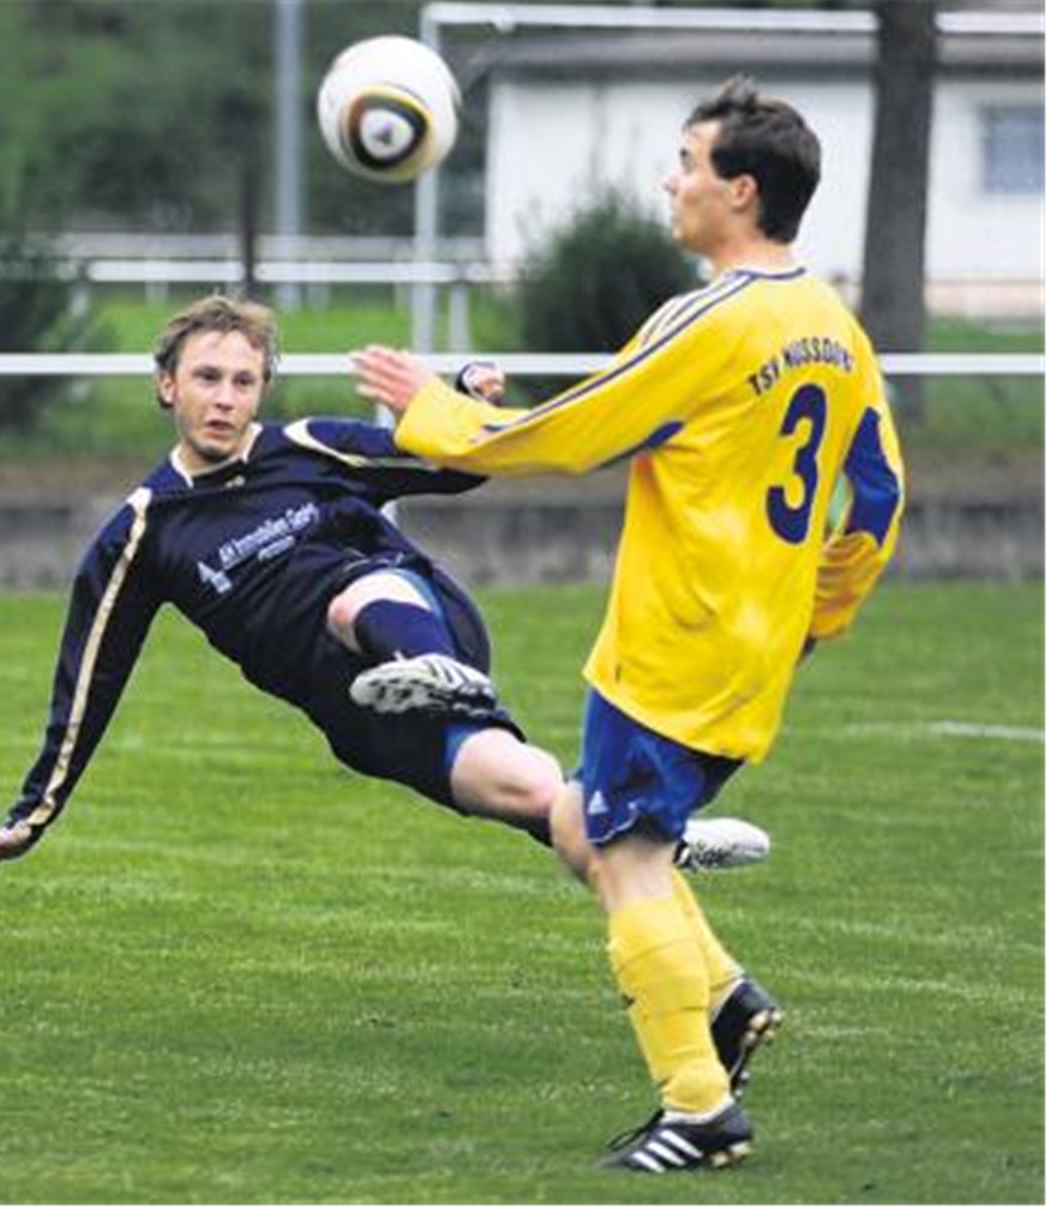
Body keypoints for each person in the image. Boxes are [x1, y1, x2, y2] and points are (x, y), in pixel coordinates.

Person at [352, 76, 905, 1173]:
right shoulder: (833, 328)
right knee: (588, 830)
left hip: (672, 648)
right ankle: (729, 1000)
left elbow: (570, 432)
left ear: (740, 192)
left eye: (689, 163)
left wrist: (431, 409)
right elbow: (879, 494)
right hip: (751, 654)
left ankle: (699, 1108)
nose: (672, 179)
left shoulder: (712, 321)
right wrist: (818, 616)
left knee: (631, 858)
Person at [0, 294, 766, 891]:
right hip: (360, 715)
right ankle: (657, 842)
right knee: (529, 791)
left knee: (348, 594)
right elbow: (91, 681)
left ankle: (436, 669)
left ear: (263, 388)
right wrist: (33, 813)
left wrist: (465, 402)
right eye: (207, 378)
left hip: (415, 617)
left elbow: (453, 468)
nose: (226, 398)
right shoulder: (142, 532)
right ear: (167, 386)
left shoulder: (308, 446)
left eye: (243, 380)